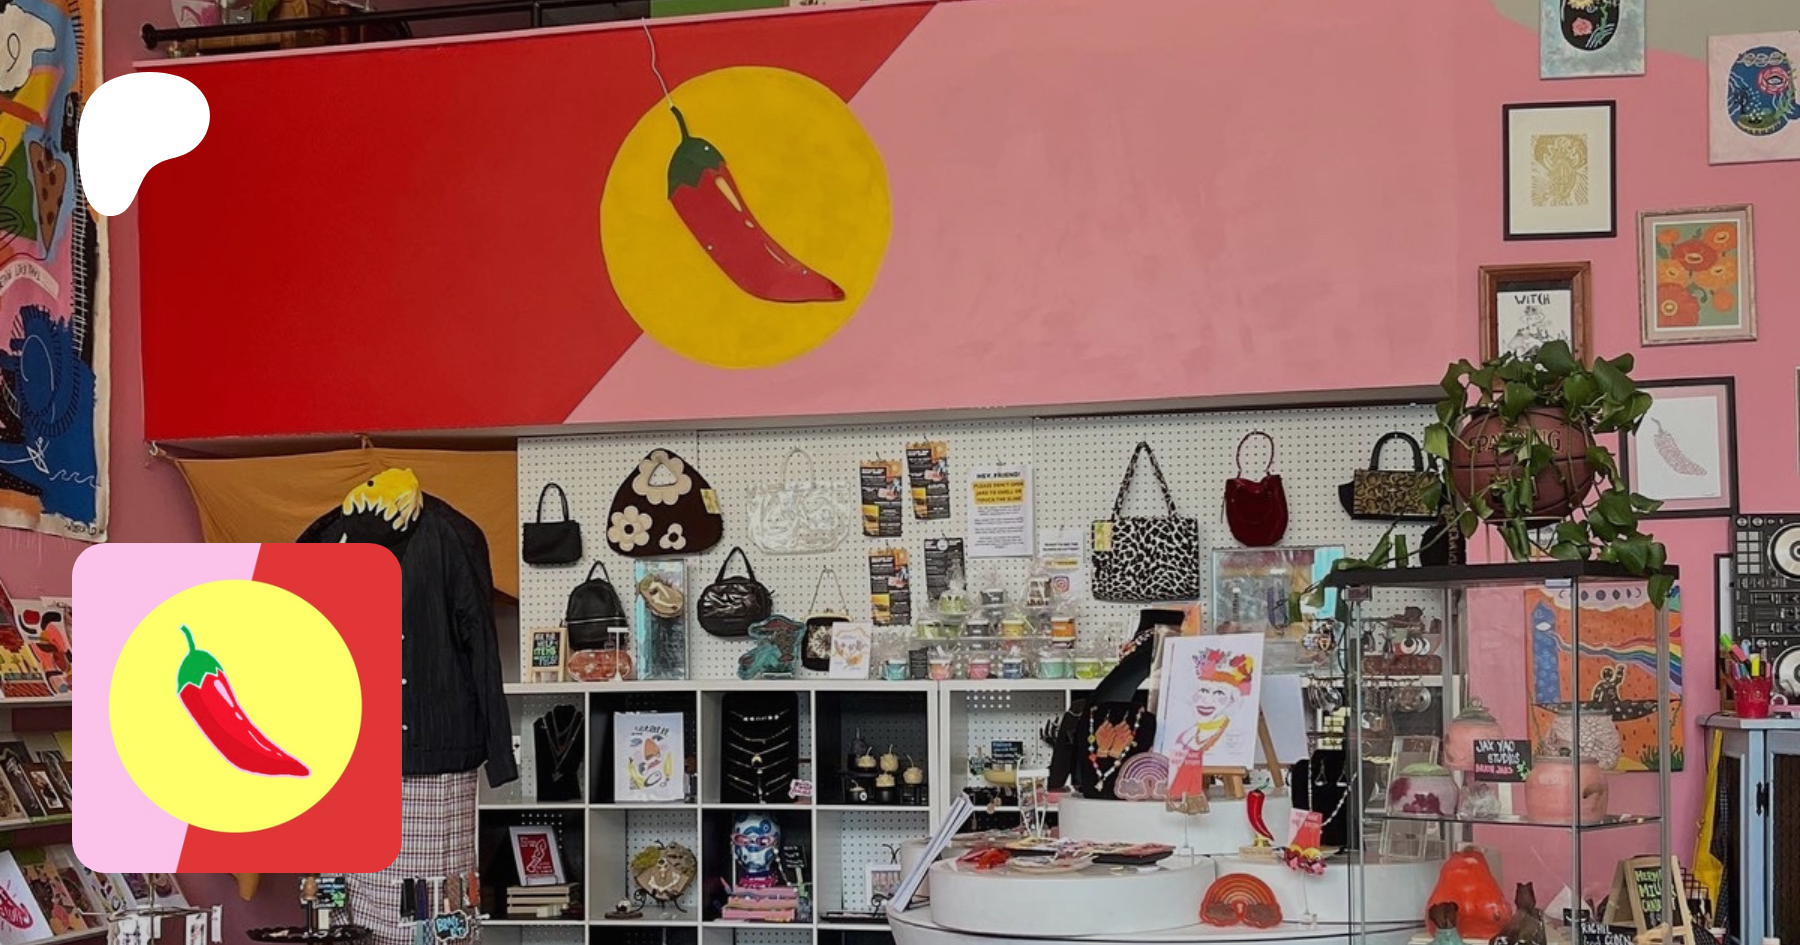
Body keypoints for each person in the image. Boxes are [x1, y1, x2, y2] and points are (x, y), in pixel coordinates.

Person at [1167, 648, 1256, 800]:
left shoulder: (1235, 733)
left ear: (1232, 701)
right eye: (1203, 690)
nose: (1207, 700)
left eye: (1219, 693)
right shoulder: (1185, 735)